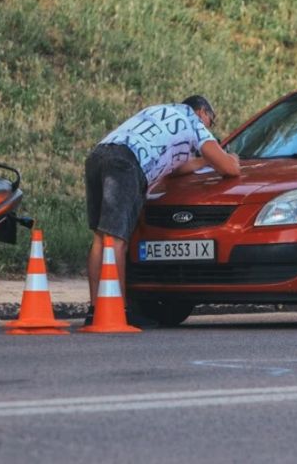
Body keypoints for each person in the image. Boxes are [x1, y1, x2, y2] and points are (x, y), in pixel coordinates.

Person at [83, 95, 241, 324]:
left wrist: (206, 162)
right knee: (116, 240)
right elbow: (229, 168)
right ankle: (118, 311)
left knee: (100, 237)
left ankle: (95, 310)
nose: (210, 126)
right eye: (211, 121)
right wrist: (230, 158)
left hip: (100, 155)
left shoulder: (159, 111)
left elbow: (176, 168)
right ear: (202, 112)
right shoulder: (193, 122)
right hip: (127, 163)